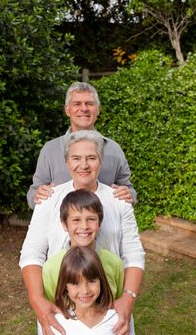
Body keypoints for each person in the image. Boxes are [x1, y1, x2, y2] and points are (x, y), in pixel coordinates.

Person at [19, 130, 145, 335]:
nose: (84, 165)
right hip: (60, 310)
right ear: (67, 162)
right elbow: (31, 254)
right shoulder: (49, 199)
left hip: (109, 308)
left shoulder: (119, 200)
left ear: (100, 161)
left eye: (91, 158)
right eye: (76, 158)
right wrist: (37, 300)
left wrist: (128, 298)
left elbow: (134, 256)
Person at [27, 81, 137, 209]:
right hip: (59, 226)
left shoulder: (114, 149)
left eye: (89, 104)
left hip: (106, 225)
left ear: (98, 110)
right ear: (67, 110)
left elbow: (129, 190)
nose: (84, 108)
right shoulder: (50, 149)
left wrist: (129, 195)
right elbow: (33, 193)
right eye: (77, 104)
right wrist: (36, 195)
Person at [41, 189, 135, 335]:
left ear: (100, 223)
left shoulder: (114, 263)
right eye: (76, 220)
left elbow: (119, 307)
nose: (84, 226)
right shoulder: (51, 268)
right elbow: (50, 312)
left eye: (91, 219)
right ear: (64, 224)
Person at [38, 246, 119, 335]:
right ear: (65, 286)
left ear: (101, 280)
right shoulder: (56, 323)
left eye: (91, 281)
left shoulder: (118, 319)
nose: (85, 291)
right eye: (75, 283)